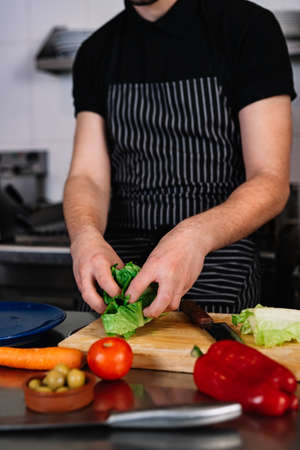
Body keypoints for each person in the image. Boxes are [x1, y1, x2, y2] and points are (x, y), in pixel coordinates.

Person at [63, 0, 296, 318]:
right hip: (120, 262)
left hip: (216, 255)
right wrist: (84, 236)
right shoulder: (96, 51)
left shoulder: (249, 28)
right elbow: (87, 176)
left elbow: (270, 181)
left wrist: (193, 236)